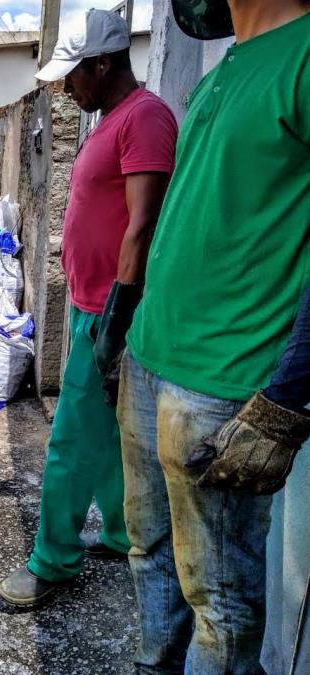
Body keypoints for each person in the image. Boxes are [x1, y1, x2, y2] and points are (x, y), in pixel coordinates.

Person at [113, 0, 309, 671]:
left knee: (220, 607)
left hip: (223, 385)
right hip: (150, 357)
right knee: (149, 552)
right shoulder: (225, 67)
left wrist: (288, 397)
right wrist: (126, 327)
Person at [0, 8, 178, 609]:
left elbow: (143, 224)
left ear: (102, 64)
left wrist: (114, 325)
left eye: (72, 75)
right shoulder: (109, 119)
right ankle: (122, 534)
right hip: (88, 304)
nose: (67, 88)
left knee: (71, 440)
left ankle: (52, 560)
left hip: (111, 312)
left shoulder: (144, 118)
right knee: (108, 431)